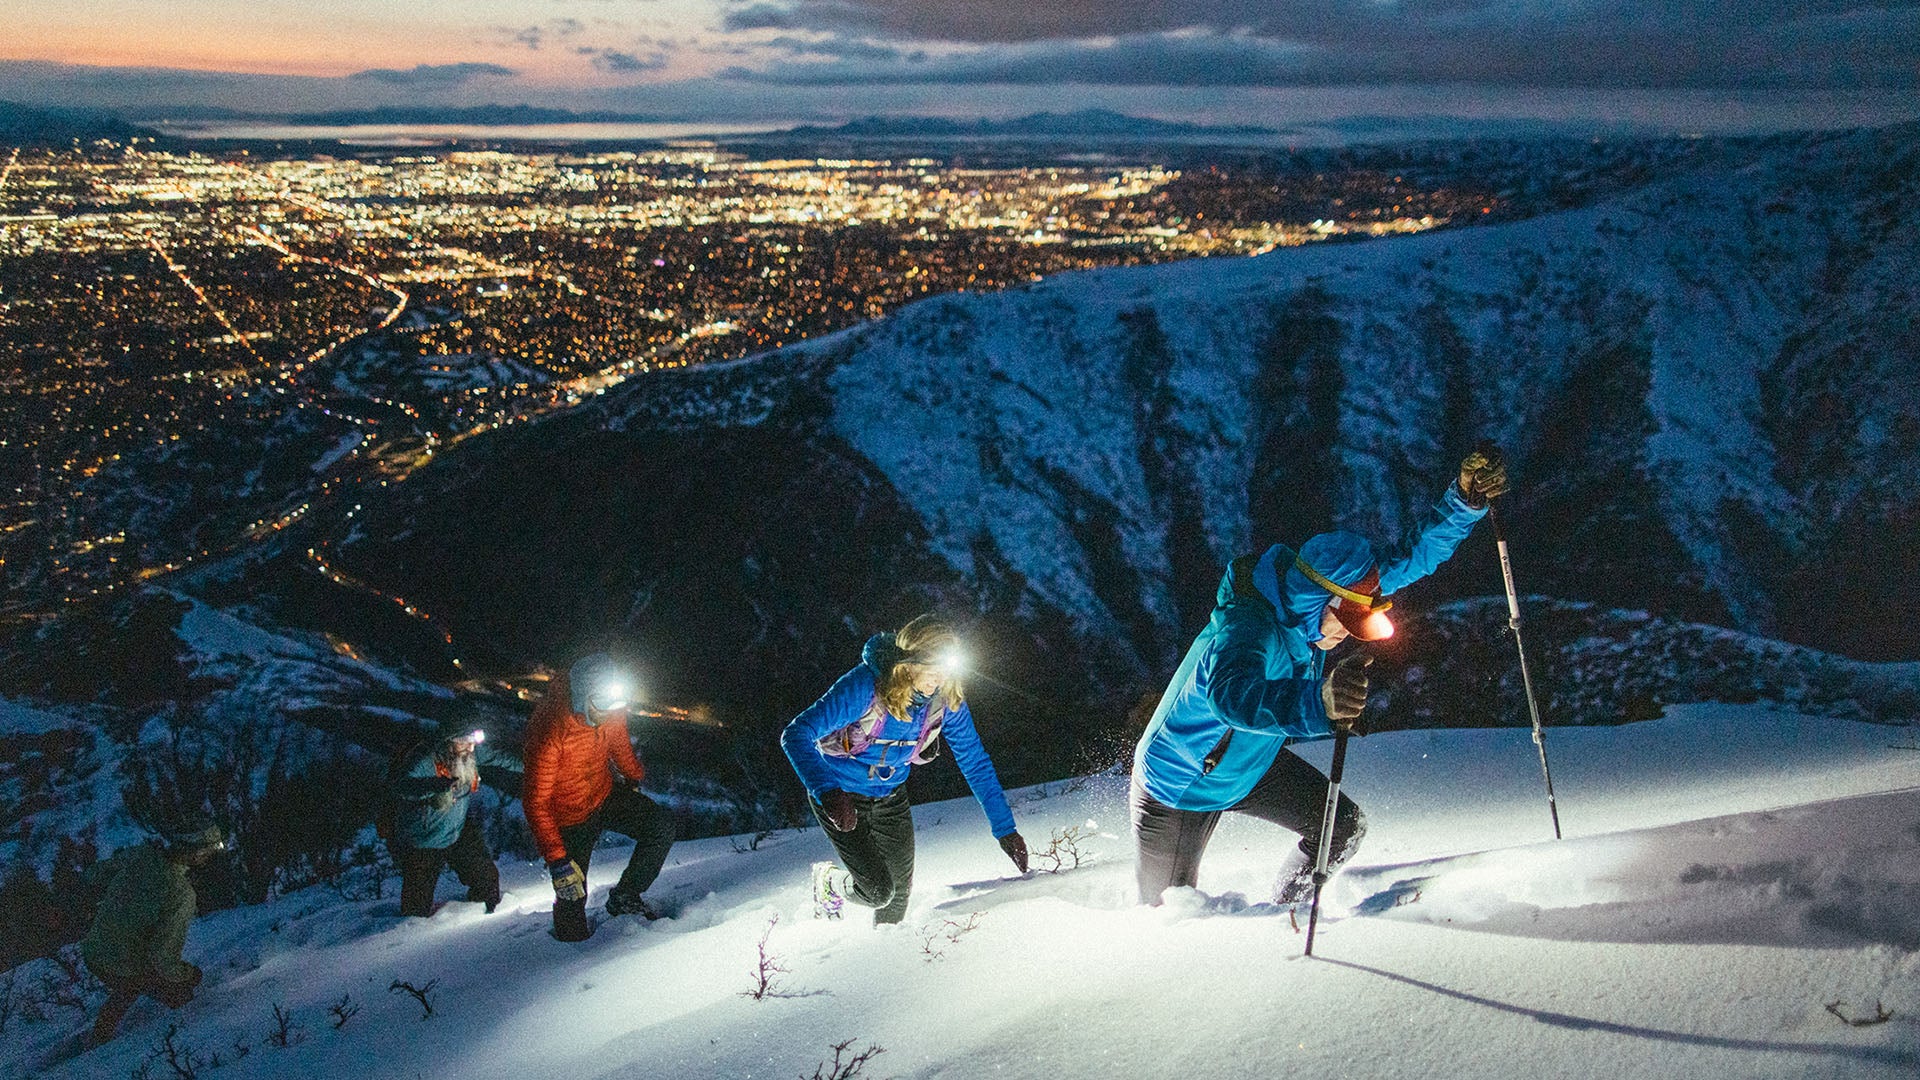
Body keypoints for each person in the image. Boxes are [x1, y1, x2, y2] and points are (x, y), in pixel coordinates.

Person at [1130, 449, 1509, 906]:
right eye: (1345, 622)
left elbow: (1410, 558)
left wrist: (1464, 503)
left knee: (1341, 829)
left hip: (1249, 766)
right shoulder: (1247, 627)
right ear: (1318, 603)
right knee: (1169, 914)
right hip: (1181, 783)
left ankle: (1286, 911)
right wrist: (1319, 703)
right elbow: (1231, 697)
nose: (1347, 635)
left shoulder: (1331, 588)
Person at [782, 615, 1027, 925]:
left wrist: (1006, 831)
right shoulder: (864, 687)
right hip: (840, 795)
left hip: (891, 795)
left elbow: (974, 760)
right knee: (878, 891)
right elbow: (796, 734)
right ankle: (828, 881)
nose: (939, 679)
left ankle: (886, 958)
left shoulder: (945, 700)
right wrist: (828, 792)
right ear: (908, 664)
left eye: (946, 670)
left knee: (897, 897)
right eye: (932, 669)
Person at [524, 653, 677, 941]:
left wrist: (633, 775)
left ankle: (626, 895)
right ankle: (570, 957)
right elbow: (536, 803)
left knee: (660, 826)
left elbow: (618, 743)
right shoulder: (550, 731)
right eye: (602, 706)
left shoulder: (609, 708)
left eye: (614, 706)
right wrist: (557, 861)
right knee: (571, 894)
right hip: (569, 817)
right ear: (583, 695)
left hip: (603, 794)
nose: (609, 713)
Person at [80, 814, 225, 1046]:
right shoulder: (181, 894)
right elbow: (163, 959)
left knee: (129, 981)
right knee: (176, 991)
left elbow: (95, 875)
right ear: (197, 853)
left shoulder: (141, 854)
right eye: (210, 851)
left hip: (92, 950)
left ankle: (100, 1033)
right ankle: (172, 1042)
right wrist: (190, 974)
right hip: (119, 963)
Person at [386, 715, 518, 917]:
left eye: (473, 743)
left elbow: (503, 759)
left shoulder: (470, 755)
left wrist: (537, 764)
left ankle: (483, 921)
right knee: (415, 908)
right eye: (464, 742)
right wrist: (434, 786)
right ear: (449, 741)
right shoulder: (426, 758)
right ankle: (408, 939)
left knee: (485, 879)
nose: (471, 748)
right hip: (426, 838)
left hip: (458, 829)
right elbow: (401, 785)